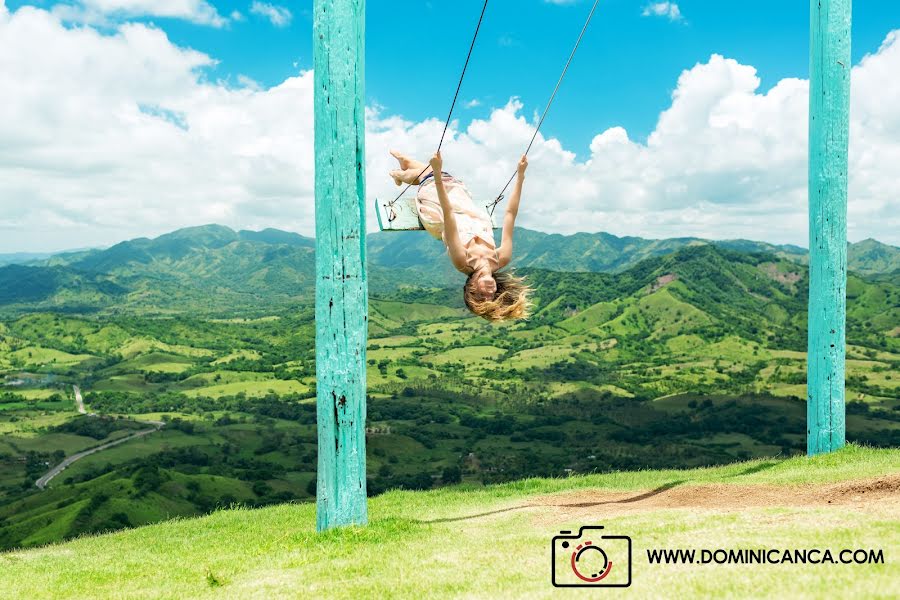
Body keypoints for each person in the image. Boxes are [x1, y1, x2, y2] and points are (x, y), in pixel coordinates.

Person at [389, 149, 532, 321]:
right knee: (437, 174)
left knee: (429, 177)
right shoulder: (502, 258)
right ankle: (404, 167)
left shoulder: (462, 261)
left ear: (471, 286)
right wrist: (521, 175)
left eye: (481, 295)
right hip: (461, 199)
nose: (488, 292)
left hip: (438, 207)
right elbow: (510, 214)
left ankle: (399, 174)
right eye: (492, 296)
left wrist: (435, 174)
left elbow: (448, 213)